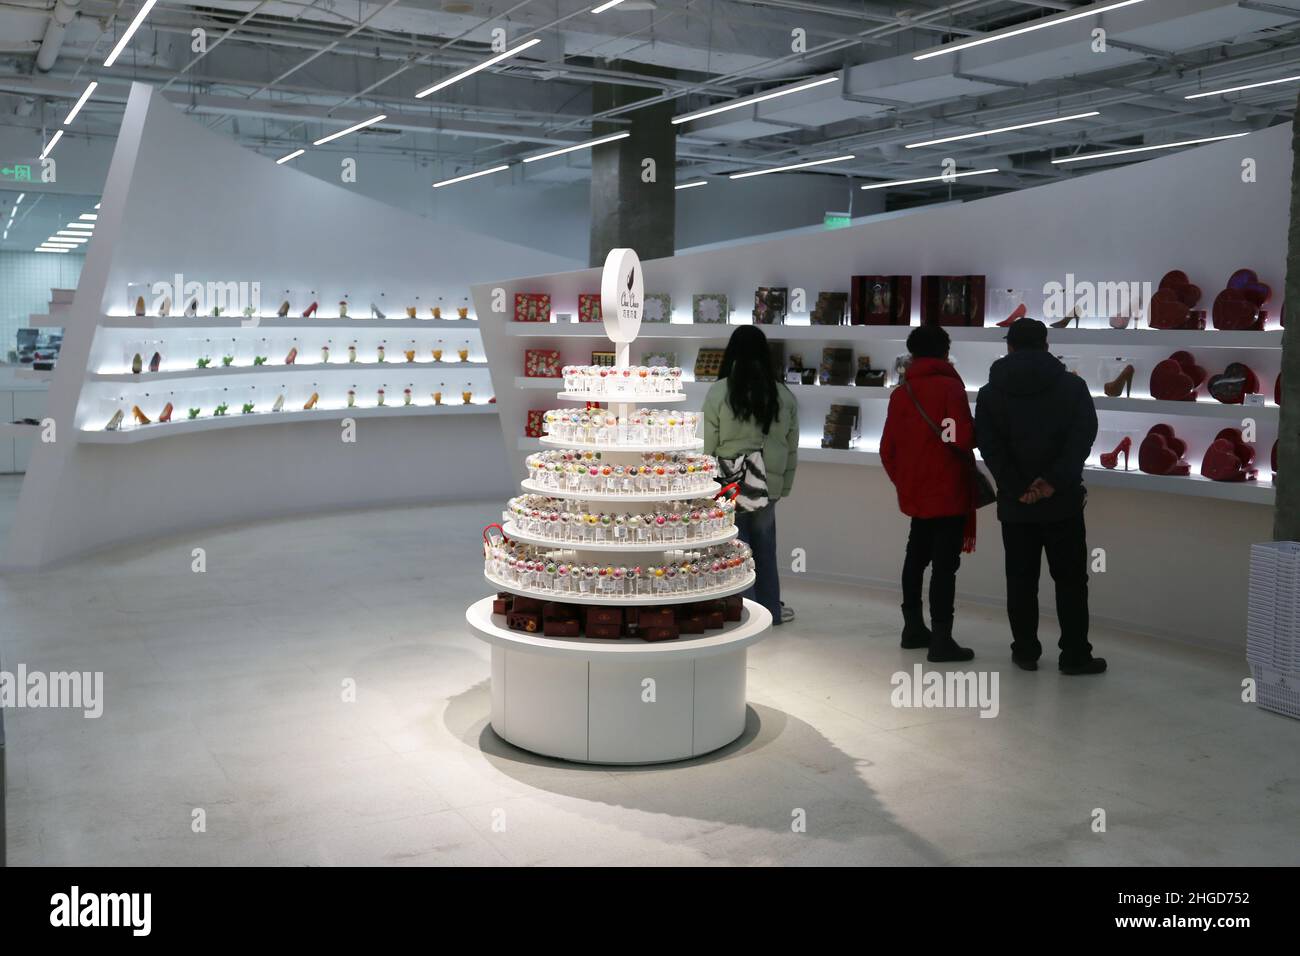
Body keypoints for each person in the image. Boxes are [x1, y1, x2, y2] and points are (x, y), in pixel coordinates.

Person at [975, 317, 1106, 675]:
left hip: (1016, 506)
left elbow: (989, 446)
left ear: (1010, 347)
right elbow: (1082, 438)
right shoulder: (1073, 388)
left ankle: (1026, 651)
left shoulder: (990, 393)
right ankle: (1075, 653)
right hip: (1062, 502)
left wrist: (1018, 487)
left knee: (1020, 579)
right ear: (1046, 346)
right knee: (1071, 581)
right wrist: (1051, 482)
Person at [880, 323, 977, 662]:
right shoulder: (951, 388)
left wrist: (905, 481)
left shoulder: (901, 392)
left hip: (917, 493)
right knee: (944, 567)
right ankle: (941, 639)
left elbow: (888, 449)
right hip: (948, 490)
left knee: (915, 559)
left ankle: (912, 628)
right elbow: (959, 438)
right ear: (945, 352)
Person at [702, 325, 799, 625]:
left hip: (728, 480)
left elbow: (708, 444)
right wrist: (785, 485)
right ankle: (770, 610)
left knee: (735, 548)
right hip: (768, 482)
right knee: (765, 548)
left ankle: (745, 612)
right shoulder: (783, 394)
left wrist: (704, 482)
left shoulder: (719, 392)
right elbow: (791, 447)